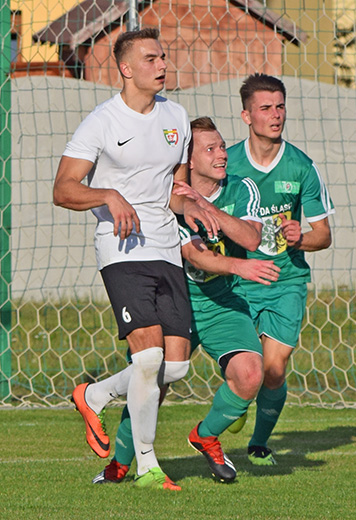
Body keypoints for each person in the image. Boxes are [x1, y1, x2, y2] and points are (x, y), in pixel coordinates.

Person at [53, 28, 217, 491]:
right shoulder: (102, 122)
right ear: (125, 68)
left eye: (163, 57)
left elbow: (173, 190)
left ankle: (95, 393)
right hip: (121, 248)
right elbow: (63, 189)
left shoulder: (177, 116)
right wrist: (108, 195)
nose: (162, 65)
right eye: (151, 59)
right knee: (147, 357)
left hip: (166, 247)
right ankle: (148, 467)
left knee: (176, 366)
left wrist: (192, 206)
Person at [92, 117, 281, 484]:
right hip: (175, 300)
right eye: (211, 149)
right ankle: (120, 463)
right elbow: (194, 255)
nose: (222, 154)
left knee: (250, 374)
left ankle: (205, 436)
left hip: (222, 302)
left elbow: (251, 237)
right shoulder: (167, 196)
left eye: (222, 146)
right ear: (188, 160)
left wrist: (208, 208)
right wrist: (237, 265)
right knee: (152, 382)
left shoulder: (241, 187)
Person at [229, 74, 334, 465]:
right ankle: (238, 399)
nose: (275, 115)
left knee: (273, 369)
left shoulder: (301, 166)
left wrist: (299, 238)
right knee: (246, 369)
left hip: (285, 280)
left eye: (280, 106)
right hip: (238, 280)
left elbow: (323, 235)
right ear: (247, 115)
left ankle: (258, 444)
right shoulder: (227, 163)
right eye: (266, 108)